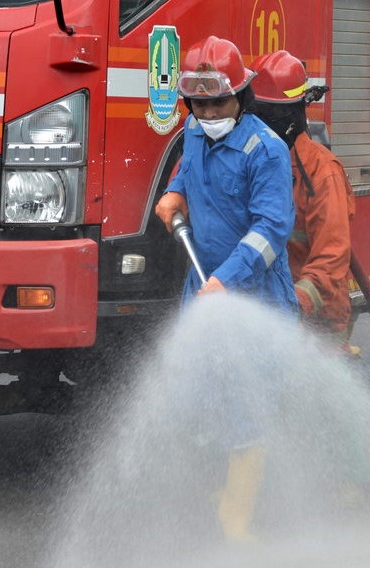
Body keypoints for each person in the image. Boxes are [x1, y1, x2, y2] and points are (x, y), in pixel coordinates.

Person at [153, 36, 296, 542]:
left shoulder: (266, 151)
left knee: (246, 408)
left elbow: (270, 232)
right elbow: (185, 175)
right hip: (204, 287)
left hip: (254, 296)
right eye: (200, 102)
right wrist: (172, 196)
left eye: (218, 101)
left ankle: (239, 520)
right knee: (197, 399)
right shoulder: (193, 131)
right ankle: (212, 504)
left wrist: (225, 281)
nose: (209, 111)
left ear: (241, 96)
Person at [248, 50, 357, 354]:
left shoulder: (322, 173)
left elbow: (332, 258)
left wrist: (295, 303)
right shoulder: (251, 162)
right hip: (270, 313)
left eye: (264, 115)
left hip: (317, 322)